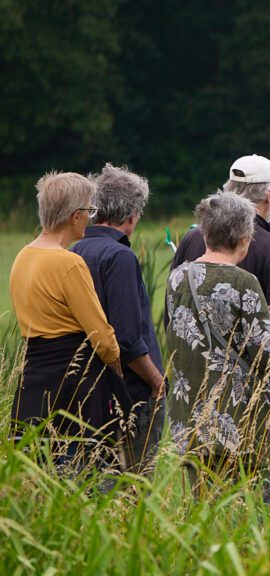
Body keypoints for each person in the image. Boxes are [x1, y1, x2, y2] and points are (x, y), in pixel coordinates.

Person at [165, 192, 270, 483]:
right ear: (244, 238)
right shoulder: (243, 282)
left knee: (202, 503)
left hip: (188, 416)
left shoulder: (178, 277)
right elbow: (266, 349)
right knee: (240, 504)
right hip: (234, 418)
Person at [8, 172, 122, 452]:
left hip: (31, 381)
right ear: (75, 215)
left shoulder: (22, 257)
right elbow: (102, 337)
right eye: (89, 210)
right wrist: (118, 369)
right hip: (72, 387)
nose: (90, 217)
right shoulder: (69, 263)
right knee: (78, 472)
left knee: (36, 472)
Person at [171, 154, 270, 380]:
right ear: (269, 195)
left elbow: (175, 314)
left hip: (194, 382)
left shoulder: (191, 238)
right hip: (251, 391)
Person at [70, 164, 166, 470]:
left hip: (88, 390)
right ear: (132, 215)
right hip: (131, 393)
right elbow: (126, 338)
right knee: (135, 482)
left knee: (96, 478)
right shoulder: (120, 256)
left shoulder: (74, 250)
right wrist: (157, 382)